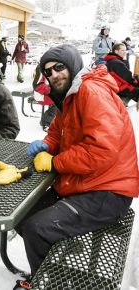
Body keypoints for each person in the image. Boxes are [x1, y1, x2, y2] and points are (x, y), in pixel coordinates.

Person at [12, 44, 139, 290]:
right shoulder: (70, 96)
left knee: (37, 229)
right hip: (87, 182)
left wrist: (56, 162)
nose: (53, 75)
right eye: (47, 72)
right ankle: (53, 264)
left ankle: (46, 284)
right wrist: (46, 146)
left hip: (108, 192)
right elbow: (57, 133)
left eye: (59, 67)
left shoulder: (90, 92)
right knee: (21, 212)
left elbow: (103, 149)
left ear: (72, 65)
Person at [104, 42, 139, 107]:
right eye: (122, 50)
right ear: (116, 51)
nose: (125, 52)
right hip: (121, 88)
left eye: (125, 50)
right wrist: (136, 81)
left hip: (117, 86)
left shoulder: (111, 60)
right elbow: (128, 78)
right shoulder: (116, 63)